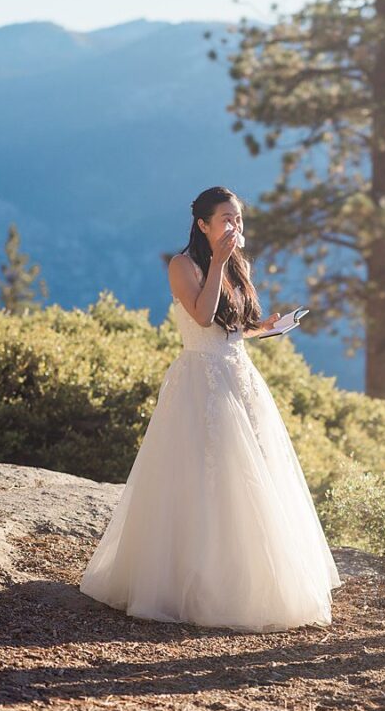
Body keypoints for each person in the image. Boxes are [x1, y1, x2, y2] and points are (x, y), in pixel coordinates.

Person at [80, 187, 340, 630]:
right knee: (201, 473)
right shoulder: (183, 265)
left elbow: (231, 327)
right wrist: (218, 261)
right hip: (200, 380)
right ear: (203, 224)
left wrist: (265, 328)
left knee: (250, 473)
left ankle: (248, 580)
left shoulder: (239, 265)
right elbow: (202, 317)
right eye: (226, 219)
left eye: (238, 218)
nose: (235, 226)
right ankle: (189, 583)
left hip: (241, 376)